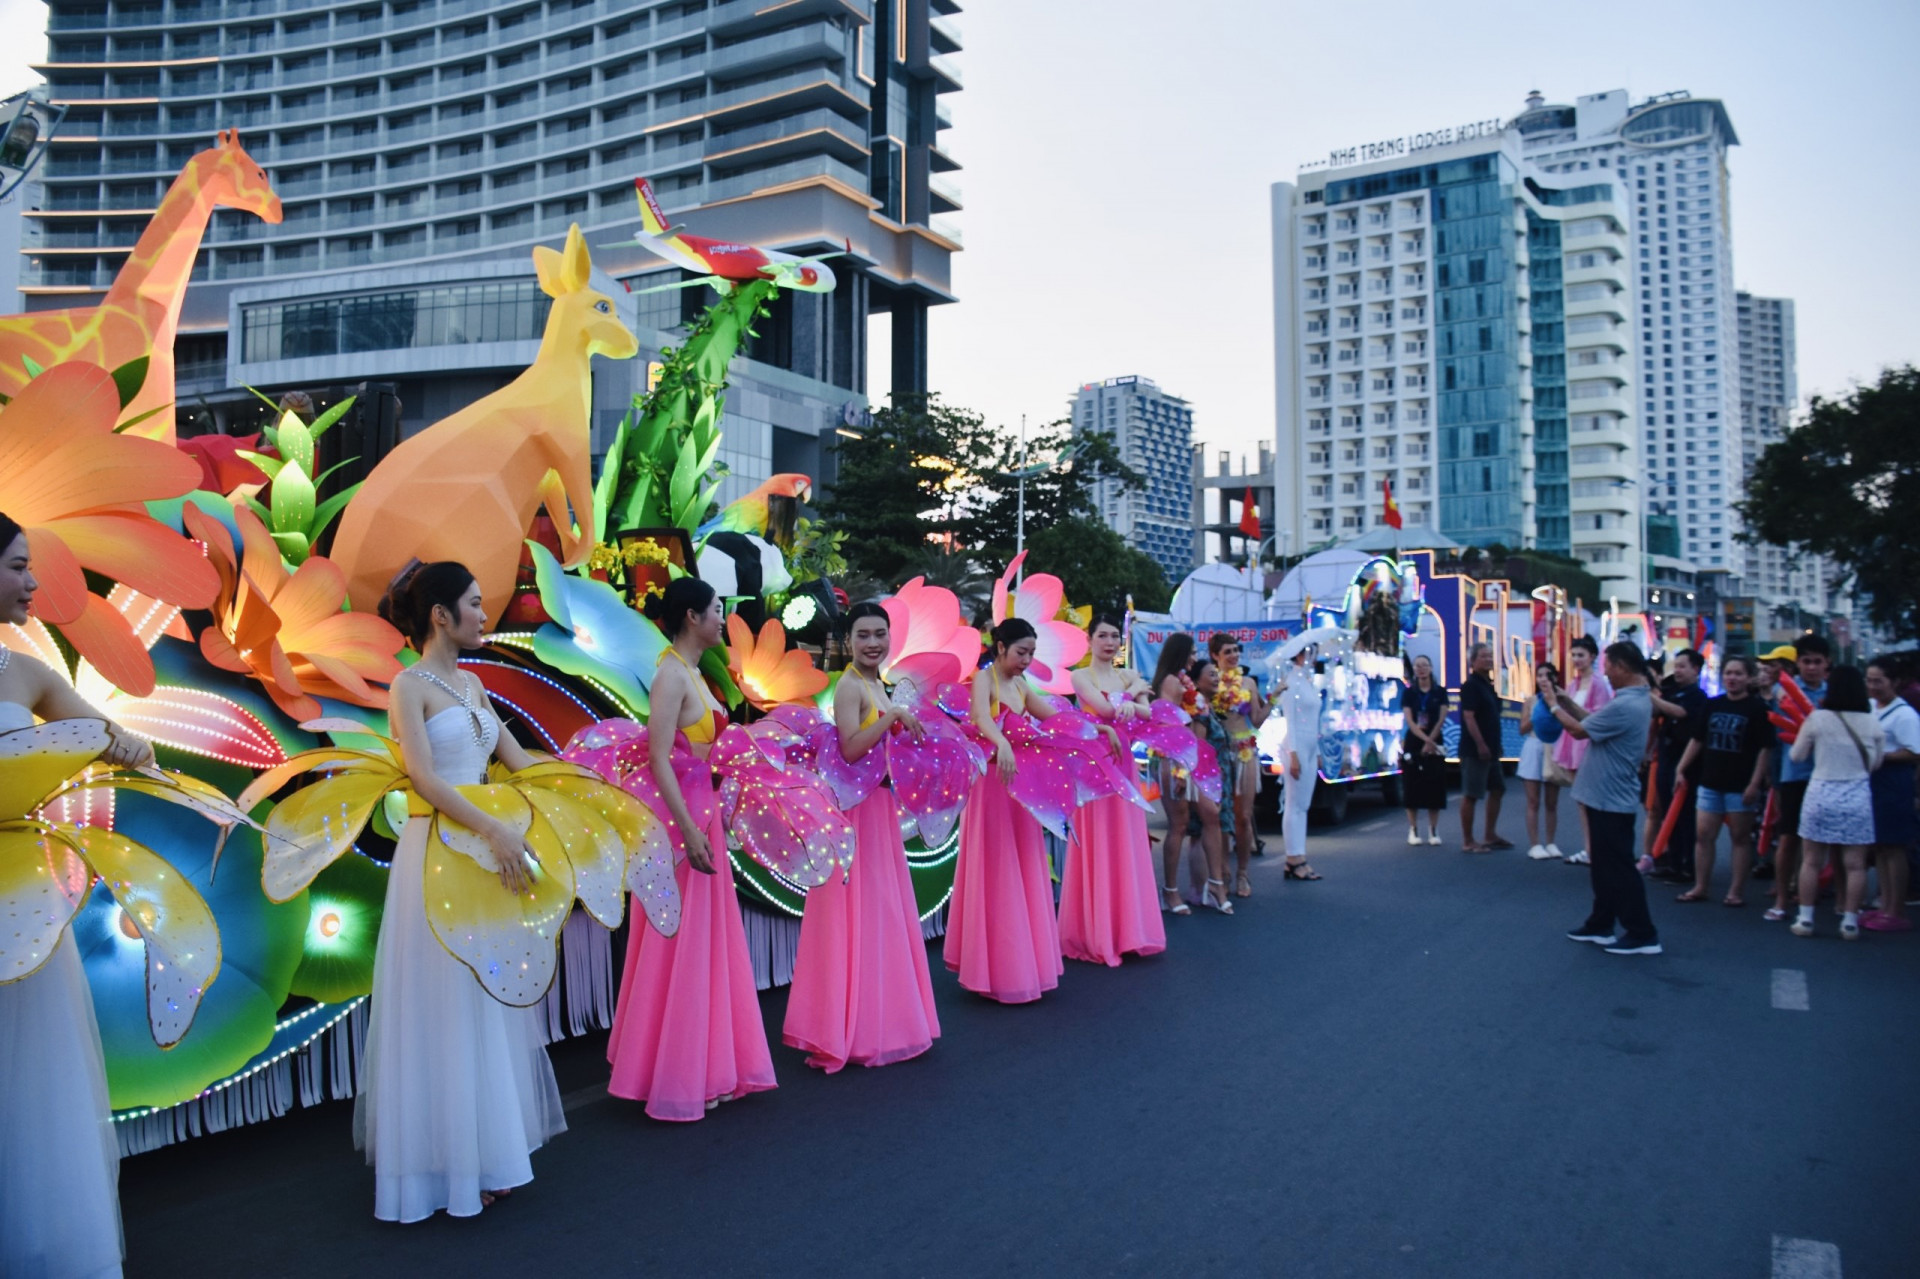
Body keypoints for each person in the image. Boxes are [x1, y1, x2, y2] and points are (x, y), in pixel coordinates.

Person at [361, 561, 567, 1219]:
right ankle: (441, 1165)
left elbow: (514, 758)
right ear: (440, 615)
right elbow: (423, 777)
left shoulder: (474, 683)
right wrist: (494, 828)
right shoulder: (408, 685)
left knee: (481, 994)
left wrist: (584, 765)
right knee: (441, 1001)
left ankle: (483, 1151)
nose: (485, 614)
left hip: (481, 851)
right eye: (475, 604)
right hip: (437, 853)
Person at [1, 512, 151, 1277]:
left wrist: (127, 743)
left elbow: (111, 737)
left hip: (19, 898)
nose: (33, 582)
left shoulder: (27, 674)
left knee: (31, 1073)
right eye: (20, 565)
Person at [607, 577, 777, 1118]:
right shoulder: (669, 676)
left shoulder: (694, 674)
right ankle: (675, 1069)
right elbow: (659, 758)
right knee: (677, 941)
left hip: (704, 818)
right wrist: (689, 826)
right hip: (682, 827)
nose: (721, 619)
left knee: (702, 941)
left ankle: (705, 1063)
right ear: (689, 617)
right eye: (715, 611)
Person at [782, 602, 942, 1071]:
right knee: (859, 916)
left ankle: (879, 1019)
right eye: (864, 635)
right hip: (856, 815)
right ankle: (851, 1027)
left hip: (879, 810)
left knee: (880, 915)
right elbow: (851, 749)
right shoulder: (851, 685)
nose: (873, 643)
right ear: (849, 641)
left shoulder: (877, 684)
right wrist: (891, 719)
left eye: (880, 634)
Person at [946, 618, 1069, 1001]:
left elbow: (1053, 715)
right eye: (1021, 652)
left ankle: (1021, 962)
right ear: (1000, 647)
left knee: (1024, 862)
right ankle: (993, 968)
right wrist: (1003, 744)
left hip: (1019, 785)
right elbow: (981, 717)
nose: (1026, 660)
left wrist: (1092, 730)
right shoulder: (987, 678)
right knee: (997, 865)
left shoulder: (1020, 684)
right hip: (994, 783)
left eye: (1031, 653)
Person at [1060, 613, 1168, 963]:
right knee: (1097, 843)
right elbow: (1106, 710)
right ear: (1089, 639)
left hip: (1123, 766)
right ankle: (1096, 933)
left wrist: (1134, 699)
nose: (1109, 642)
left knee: (1126, 841)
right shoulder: (1080, 676)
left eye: (1113, 637)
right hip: (1093, 767)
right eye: (1102, 636)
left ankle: (1129, 931)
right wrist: (1135, 694)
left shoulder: (1127, 674)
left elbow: (1147, 715)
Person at [1548, 641, 1662, 955]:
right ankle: (1601, 923)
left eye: (1609, 666)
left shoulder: (1628, 703)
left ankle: (1642, 932)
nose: (1606, 673)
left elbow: (1581, 731)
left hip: (1612, 798)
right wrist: (1566, 702)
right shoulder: (1630, 699)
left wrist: (1553, 705)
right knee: (1604, 865)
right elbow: (1591, 722)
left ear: (1623, 667)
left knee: (1619, 867)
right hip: (1604, 796)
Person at [1669, 655, 1774, 907]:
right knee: (1703, 835)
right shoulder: (1713, 704)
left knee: (1740, 838)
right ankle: (1701, 886)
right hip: (1710, 780)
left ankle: (1736, 890)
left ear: (1748, 678)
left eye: (1738, 673)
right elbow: (1698, 739)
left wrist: (1754, 783)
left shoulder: (1758, 709)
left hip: (1740, 783)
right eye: (1728, 673)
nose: (1732, 678)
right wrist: (1681, 768)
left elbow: (1765, 749)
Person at [1789, 665, 1885, 940]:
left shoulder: (1818, 719)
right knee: (1855, 864)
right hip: (1856, 795)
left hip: (1821, 792)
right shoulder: (1872, 721)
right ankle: (1850, 922)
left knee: (1811, 861)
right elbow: (1876, 763)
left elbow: (1797, 756)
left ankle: (1805, 919)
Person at [1768, 637, 1831, 923]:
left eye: (1817, 661)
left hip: (1829, 775)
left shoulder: (1835, 695)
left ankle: (1817, 894)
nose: (1812, 667)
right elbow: (1777, 740)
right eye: (1806, 661)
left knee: (1824, 841)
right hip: (1794, 775)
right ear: (1798, 664)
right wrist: (1775, 781)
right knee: (1788, 838)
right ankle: (1782, 898)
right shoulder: (1785, 693)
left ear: (1827, 663)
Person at [1209, 633, 1270, 894]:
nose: (1234, 655)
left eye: (1236, 650)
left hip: (1245, 751)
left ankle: (1243, 874)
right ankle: (1222, 871)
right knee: (1222, 817)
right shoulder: (1209, 683)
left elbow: (1256, 720)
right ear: (1215, 656)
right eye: (1227, 652)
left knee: (1243, 817)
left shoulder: (1248, 683)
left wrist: (1275, 699)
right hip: (1219, 753)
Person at [1865, 657, 1918, 933]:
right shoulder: (1873, 707)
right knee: (1881, 847)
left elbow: (1915, 751)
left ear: (1894, 682)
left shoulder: (1905, 714)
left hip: (1894, 783)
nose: (1873, 686)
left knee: (1894, 847)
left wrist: (1884, 757)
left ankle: (1895, 909)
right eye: (1869, 680)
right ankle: (1884, 904)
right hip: (1875, 782)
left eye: (1879, 681)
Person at [1649, 648, 1709, 883]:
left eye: (1683, 666)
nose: (1678, 671)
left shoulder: (1698, 697)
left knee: (1685, 815)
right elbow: (1658, 712)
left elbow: (1680, 713)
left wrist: (1651, 695)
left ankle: (1688, 865)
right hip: (1666, 756)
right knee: (1667, 811)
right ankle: (1673, 862)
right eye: (1676, 665)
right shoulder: (1672, 691)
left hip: (1686, 762)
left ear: (1696, 669)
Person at [1552, 635, 1613, 864]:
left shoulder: (1598, 684)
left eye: (1581, 655)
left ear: (1593, 657)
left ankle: (1595, 848)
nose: (1577, 659)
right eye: (1574, 655)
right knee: (1582, 798)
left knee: (1592, 798)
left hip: (1588, 742)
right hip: (1573, 741)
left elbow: (1599, 717)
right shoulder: (1573, 683)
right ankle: (1590, 848)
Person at [1186, 658, 1241, 910]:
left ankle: (1211, 885)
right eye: (1211, 674)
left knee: (1214, 828)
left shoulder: (1209, 707)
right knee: (1204, 829)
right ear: (1197, 680)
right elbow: (1198, 748)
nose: (1217, 678)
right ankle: (1208, 887)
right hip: (1207, 780)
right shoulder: (1197, 709)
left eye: (1217, 674)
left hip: (1220, 778)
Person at [1150, 633, 1198, 915]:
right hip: (1171, 758)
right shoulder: (1171, 682)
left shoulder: (1176, 680)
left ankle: (1173, 889)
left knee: (1182, 824)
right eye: (1190, 653)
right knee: (1178, 825)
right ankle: (1170, 891)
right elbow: (1169, 726)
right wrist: (1181, 768)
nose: (1194, 658)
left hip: (1178, 757)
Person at [1276, 643, 1324, 881]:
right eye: (1308, 653)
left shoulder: (1308, 682)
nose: (1313, 658)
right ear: (1298, 655)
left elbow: (1314, 719)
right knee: (1294, 804)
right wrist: (1293, 753)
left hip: (1309, 745)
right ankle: (1293, 858)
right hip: (1295, 745)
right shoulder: (1291, 682)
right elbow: (1291, 721)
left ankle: (1298, 855)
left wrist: (1316, 751)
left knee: (1303, 805)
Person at [1457, 642, 1509, 852]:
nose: (1488, 659)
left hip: (1492, 748)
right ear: (1473, 661)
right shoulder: (1470, 686)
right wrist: (1480, 744)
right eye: (1483, 656)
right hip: (1475, 750)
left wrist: (1496, 745)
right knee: (1472, 794)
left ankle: (1490, 834)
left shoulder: (1488, 684)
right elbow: (1469, 717)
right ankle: (1468, 841)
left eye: (1490, 656)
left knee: (1498, 789)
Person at [1519, 661, 1566, 860]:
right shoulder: (1531, 701)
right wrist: (1537, 716)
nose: (1544, 679)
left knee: (1552, 801)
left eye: (1548, 675)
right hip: (1533, 746)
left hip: (1553, 747)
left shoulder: (1562, 699)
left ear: (1554, 678)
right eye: (1540, 676)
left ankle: (1551, 842)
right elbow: (1522, 729)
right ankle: (1535, 843)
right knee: (1533, 800)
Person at [1402, 653, 1449, 845]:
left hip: (1435, 740)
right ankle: (1413, 829)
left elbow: (1442, 717)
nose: (1421, 669)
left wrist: (1431, 741)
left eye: (1424, 665)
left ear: (1430, 668)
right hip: (1414, 741)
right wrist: (1424, 740)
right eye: (1417, 666)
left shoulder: (1440, 692)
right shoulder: (1409, 693)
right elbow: (1410, 721)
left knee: (1434, 785)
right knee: (1412, 785)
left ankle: (1434, 829)